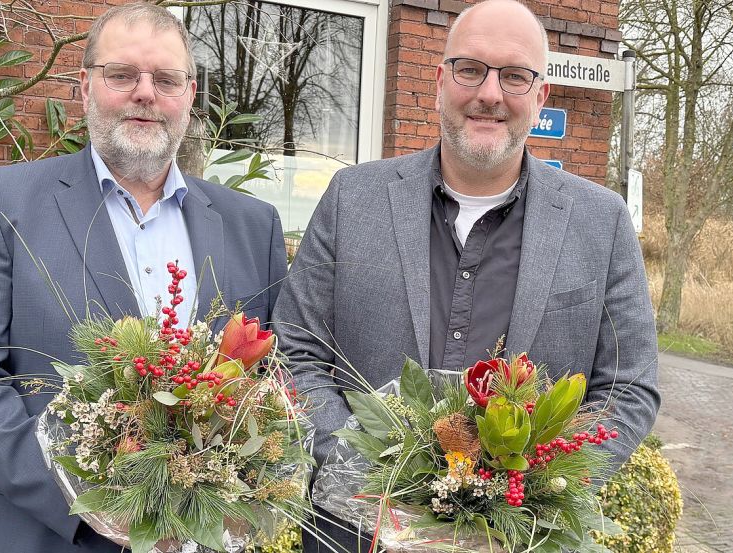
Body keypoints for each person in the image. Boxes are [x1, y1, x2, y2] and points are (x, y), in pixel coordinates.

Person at [272, 1, 660, 551]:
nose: (489, 93)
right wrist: (369, 472)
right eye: (470, 69)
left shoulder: (602, 223)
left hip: (520, 538)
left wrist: (537, 488)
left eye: (515, 75)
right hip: (357, 531)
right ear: (439, 81)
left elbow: (627, 386)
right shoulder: (351, 199)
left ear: (540, 94)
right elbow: (296, 350)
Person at [0, 4, 287, 552]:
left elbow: (270, 389)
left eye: (165, 79)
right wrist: (97, 503)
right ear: (85, 85)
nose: (145, 93)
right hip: (44, 534)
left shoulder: (251, 226)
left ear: (190, 95)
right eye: (122, 75)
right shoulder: (4, 204)